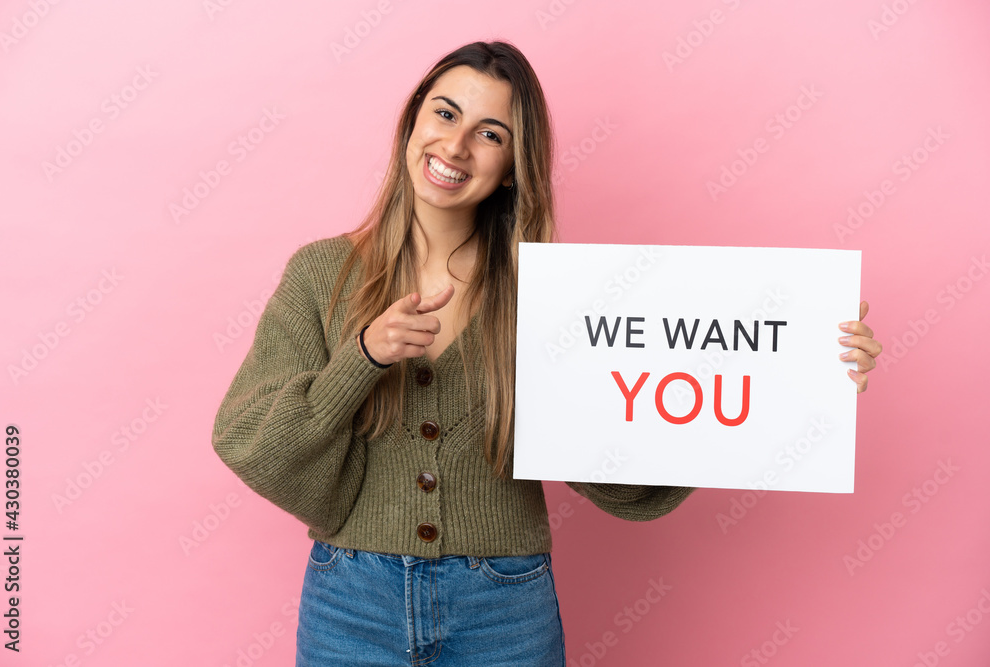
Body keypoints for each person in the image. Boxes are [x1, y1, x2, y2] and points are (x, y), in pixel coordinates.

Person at [210, 40, 882, 666]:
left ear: (511, 167)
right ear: (412, 120)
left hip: (504, 604)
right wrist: (363, 356)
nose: (457, 144)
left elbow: (620, 470)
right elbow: (252, 442)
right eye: (445, 113)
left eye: (490, 134)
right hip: (350, 596)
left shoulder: (552, 295)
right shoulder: (320, 273)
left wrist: (794, 380)